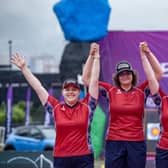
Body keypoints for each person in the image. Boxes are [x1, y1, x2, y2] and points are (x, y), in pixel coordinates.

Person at [10, 43, 100, 168]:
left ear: (79, 92)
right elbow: (38, 87)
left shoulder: (87, 106)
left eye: (74, 89)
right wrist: (24, 68)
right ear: (63, 92)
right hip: (61, 158)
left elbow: (94, 81)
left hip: (84, 157)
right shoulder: (55, 107)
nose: (70, 92)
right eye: (67, 89)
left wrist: (96, 57)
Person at [82, 41, 162, 168]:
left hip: (136, 143)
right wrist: (92, 56)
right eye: (122, 74)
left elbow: (158, 74)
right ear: (117, 77)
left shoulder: (141, 91)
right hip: (114, 142)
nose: (125, 76)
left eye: (127, 73)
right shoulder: (110, 91)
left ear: (132, 75)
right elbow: (87, 80)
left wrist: (147, 53)